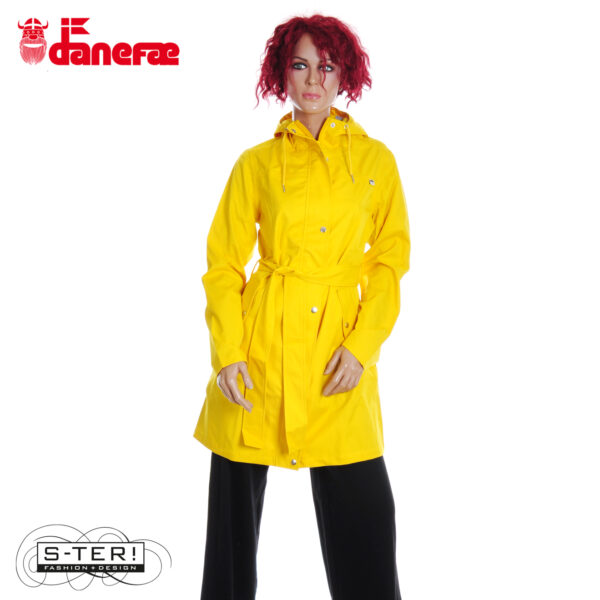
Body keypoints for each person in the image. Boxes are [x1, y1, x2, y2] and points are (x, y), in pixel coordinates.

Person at [193, 13, 411, 600]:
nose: (314, 79)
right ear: (281, 73)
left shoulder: (376, 162)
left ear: (345, 75)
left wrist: (361, 348)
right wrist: (228, 353)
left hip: (337, 354)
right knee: (230, 541)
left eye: (327, 66)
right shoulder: (256, 164)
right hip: (258, 353)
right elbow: (222, 265)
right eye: (301, 65)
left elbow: (389, 264)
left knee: (366, 522)